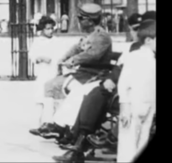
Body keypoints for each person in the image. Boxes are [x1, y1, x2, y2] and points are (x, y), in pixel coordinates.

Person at [51, 13, 146, 162]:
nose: (135, 32)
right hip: (120, 85)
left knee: (95, 94)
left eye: (138, 29)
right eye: (134, 29)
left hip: (138, 90)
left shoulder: (147, 49)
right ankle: (79, 143)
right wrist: (111, 79)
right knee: (93, 93)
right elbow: (120, 67)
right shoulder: (133, 47)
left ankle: (83, 142)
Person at [31, 3, 112, 141]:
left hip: (94, 74)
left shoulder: (101, 36)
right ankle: (52, 124)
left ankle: (65, 128)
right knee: (50, 85)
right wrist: (64, 57)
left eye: (81, 18)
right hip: (84, 73)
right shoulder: (90, 35)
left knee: (68, 89)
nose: (79, 21)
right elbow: (76, 48)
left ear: (90, 21)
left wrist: (73, 60)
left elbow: (93, 55)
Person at [116, 18, 155, 163]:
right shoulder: (134, 56)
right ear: (149, 40)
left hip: (149, 105)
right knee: (128, 144)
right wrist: (124, 106)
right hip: (133, 106)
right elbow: (123, 83)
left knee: (143, 141)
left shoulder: (153, 59)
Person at [30, 17, 65, 127]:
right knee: (40, 98)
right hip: (43, 72)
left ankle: (53, 123)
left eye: (51, 28)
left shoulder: (56, 41)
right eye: (47, 29)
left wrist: (60, 68)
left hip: (54, 72)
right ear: (42, 29)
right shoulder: (38, 41)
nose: (50, 31)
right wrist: (41, 58)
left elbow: (61, 55)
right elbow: (32, 56)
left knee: (55, 100)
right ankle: (37, 123)